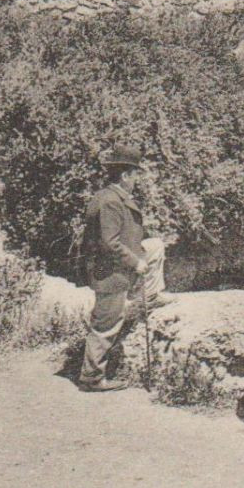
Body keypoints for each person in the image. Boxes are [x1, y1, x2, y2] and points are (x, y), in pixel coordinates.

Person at [79, 144, 163, 392]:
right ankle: (92, 378)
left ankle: (150, 296)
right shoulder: (111, 203)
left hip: (114, 265)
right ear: (126, 175)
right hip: (109, 273)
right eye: (136, 174)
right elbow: (110, 243)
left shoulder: (110, 196)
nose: (138, 180)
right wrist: (135, 261)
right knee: (106, 323)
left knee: (156, 246)